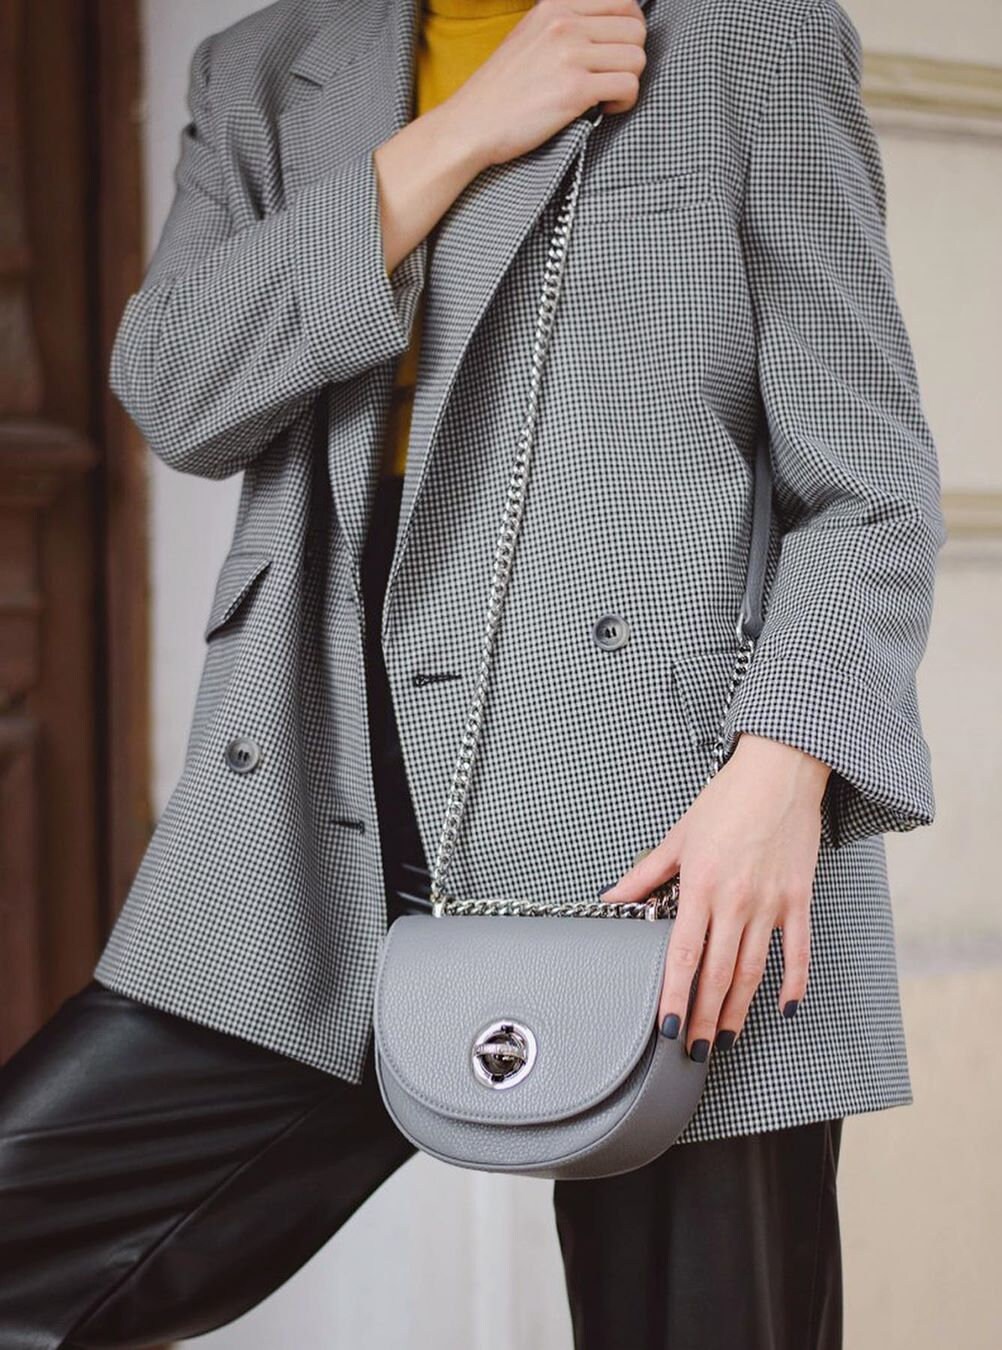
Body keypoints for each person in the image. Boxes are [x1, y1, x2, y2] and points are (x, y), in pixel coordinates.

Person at [0, 0, 946, 1346]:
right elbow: (178, 391)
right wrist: (459, 134)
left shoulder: (747, 36)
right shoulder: (263, 71)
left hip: (671, 838)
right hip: (306, 821)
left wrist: (783, 774)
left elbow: (870, 482)